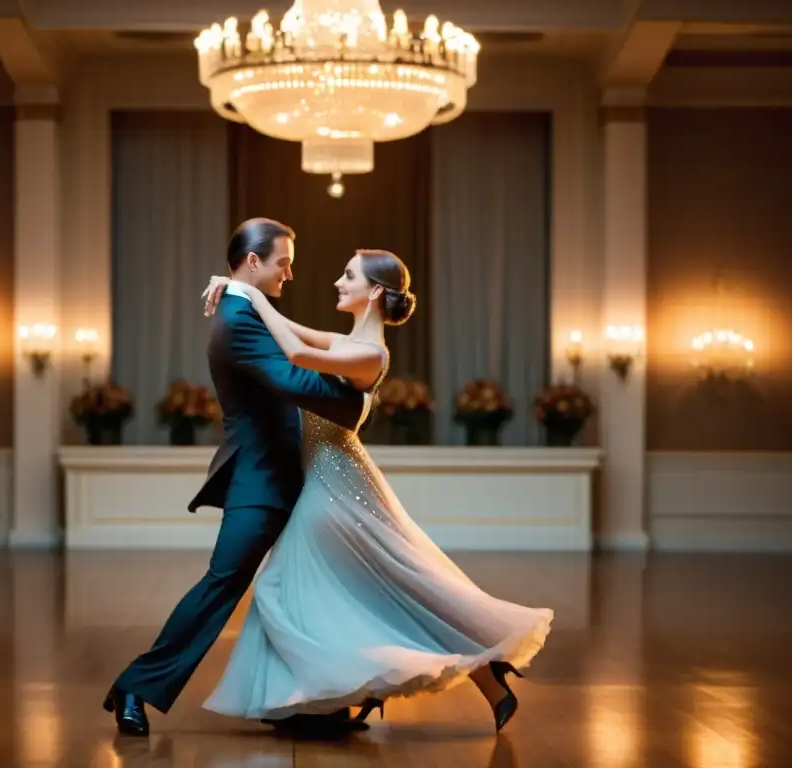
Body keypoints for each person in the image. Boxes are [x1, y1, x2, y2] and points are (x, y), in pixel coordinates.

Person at [198, 249, 553, 733]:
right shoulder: (348, 342)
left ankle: (324, 697)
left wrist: (249, 293)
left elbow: (296, 354)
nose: (338, 283)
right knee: (368, 591)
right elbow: (287, 326)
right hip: (328, 481)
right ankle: (327, 700)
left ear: (376, 293)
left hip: (338, 485)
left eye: (348, 276)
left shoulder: (370, 353)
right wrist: (239, 287)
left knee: (308, 588)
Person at [103, 218, 369, 737]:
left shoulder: (246, 308)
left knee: (296, 589)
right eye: (282, 264)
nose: (289, 275)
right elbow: (292, 378)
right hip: (260, 478)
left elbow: (298, 350)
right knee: (223, 584)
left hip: (283, 475)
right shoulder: (239, 319)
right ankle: (134, 687)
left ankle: (297, 703)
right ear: (253, 262)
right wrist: (360, 396)